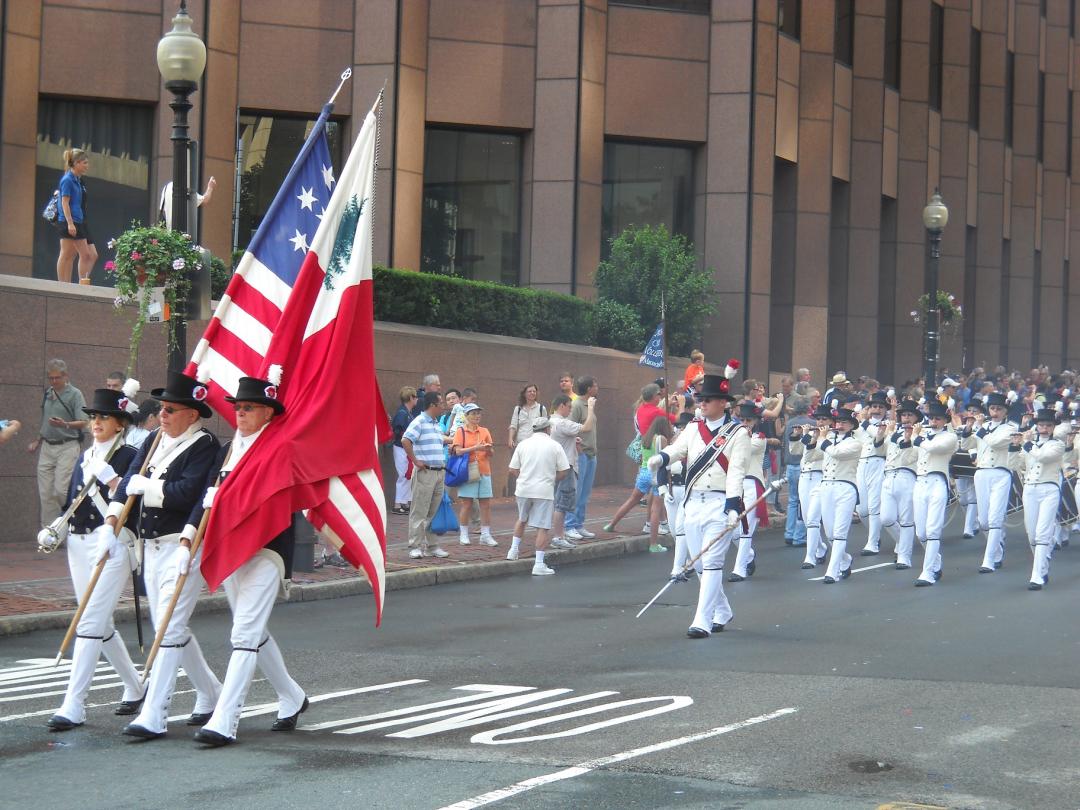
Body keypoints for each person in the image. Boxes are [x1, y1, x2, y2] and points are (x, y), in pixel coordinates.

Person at [188, 375, 308, 746]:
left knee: (242, 634)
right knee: (251, 630)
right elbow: (206, 494)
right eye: (238, 407)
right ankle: (292, 696)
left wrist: (223, 501)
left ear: (268, 412)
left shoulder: (279, 448)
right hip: (230, 547)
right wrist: (190, 533)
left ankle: (225, 719)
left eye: (248, 407)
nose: (240, 412)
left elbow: (271, 498)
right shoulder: (227, 449)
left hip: (267, 549)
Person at [107, 370, 222, 740]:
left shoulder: (205, 445)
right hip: (150, 547)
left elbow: (189, 493)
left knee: (168, 629)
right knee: (170, 627)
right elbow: (128, 480)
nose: (162, 416)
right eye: (162, 409)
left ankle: (155, 713)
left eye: (171, 410)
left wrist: (150, 489)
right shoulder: (155, 439)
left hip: (181, 545)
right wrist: (114, 519)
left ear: (193, 413)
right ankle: (211, 693)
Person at [42, 388, 143, 731]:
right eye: (93, 417)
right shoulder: (86, 455)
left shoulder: (130, 454)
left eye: (103, 417)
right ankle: (135, 685)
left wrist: (109, 476)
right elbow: (74, 499)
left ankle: (74, 703)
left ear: (119, 423)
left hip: (111, 543)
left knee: (88, 621)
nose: (96, 422)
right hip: (80, 541)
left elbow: (131, 500)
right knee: (101, 623)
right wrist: (58, 525)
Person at [648, 373, 749, 639]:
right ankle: (723, 610)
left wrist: (732, 506)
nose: (702, 404)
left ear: (723, 403)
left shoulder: (738, 433)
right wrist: (661, 458)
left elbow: (737, 471)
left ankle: (702, 620)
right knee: (701, 564)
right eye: (701, 399)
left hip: (719, 503)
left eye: (708, 400)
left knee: (713, 562)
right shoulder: (693, 427)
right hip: (693, 503)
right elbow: (678, 449)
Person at [507, 417, 570, 576]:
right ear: (548, 429)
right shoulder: (555, 446)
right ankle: (539, 564)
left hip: (523, 488)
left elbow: (513, 469)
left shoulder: (523, 444)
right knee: (543, 526)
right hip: (544, 490)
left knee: (522, 519)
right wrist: (551, 479)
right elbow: (564, 471)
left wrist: (523, 477)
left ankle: (513, 551)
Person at [28, 359, 87, 527]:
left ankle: (71, 522)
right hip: (47, 446)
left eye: (57, 378)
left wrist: (65, 424)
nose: (54, 381)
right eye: (51, 378)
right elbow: (45, 420)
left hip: (67, 445)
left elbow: (84, 421)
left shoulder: (75, 394)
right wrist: (37, 441)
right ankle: (50, 533)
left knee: (61, 490)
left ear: (65, 376)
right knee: (45, 493)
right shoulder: (48, 393)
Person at [604, 414, 670, 549]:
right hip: (657, 475)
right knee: (656, 509)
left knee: (631, 500)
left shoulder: (645, 438)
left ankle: (611, 525)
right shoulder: (661, 438)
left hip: (644, 472)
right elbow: (666, 457)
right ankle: (653, 544)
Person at [911, 401, 959, 586]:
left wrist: (916, 437)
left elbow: (932, 448)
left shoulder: (949, 437)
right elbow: (909, 452)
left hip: (937, 482)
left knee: (932, 530)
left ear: (945, 421)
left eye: (938, 418)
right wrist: (907, 436)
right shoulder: (923, 434)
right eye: (931, 418)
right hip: (920, 481)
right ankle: (935, 560)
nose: (933, 421)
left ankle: (928, 572)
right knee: (921, 532)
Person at [1019, 410, 1067, 590]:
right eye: (1041, 425)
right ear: (1037, 426)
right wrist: (1015, 448)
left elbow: (1044, 457)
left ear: (1053, 427)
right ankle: (1043, 564)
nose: (1044, 428)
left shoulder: (1058, 444)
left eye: (1048, 425)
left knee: (1042, 533)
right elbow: (1017, 464)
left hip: (1049, 489)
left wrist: (1027, 443)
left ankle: (1037, 576)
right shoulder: (1031, 444)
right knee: (1032, 534)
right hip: (1030, 488)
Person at [402, 391, 451, 559]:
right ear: (432, 405)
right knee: (419, 510)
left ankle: (432, 546)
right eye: (441, 403)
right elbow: (405, 440)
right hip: (425, 472)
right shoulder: (420, 421)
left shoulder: (435, 423)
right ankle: (415, 546)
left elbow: (439, 440)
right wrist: (415, 460)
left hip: (438, 473)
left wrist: (453, 440)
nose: (444, 406)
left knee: (433, 511)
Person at [972, 392, 1017, 572]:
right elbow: (968, 444)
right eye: (992, 408)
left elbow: (996, 443)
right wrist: (968, 430)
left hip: (1000, 473)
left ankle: (989, 560)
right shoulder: (982, 426)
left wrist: (980, 428)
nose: (995, 412)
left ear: (1005, 411)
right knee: (983, 521)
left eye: (999, 409)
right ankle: (997, 550)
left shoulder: (1010, 429)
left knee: (994, 518)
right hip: (982, 473)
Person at [819, 407, 862, 584]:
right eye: (838, 422)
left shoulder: (855, 443)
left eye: (844, 422)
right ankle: (845, 559)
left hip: (845, 487)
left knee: (839, 532)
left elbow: (837, 453)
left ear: (851, 425)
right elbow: (805, 452)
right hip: (827, 486)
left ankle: (832, 571)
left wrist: (822, 438)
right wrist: (809, 436)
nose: (840, 425)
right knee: (829, 533)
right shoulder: (827, 439)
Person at [548, 393, 596, 550]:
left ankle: (560, 535)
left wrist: (572, 440)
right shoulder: (563, 423)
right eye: (569, 406)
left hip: (558, 466)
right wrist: (591, 407)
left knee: (559, 501)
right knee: (562, 503)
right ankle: (558, 536)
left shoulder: (552, 422)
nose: (570, 410)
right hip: (566, 467)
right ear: (561, 406)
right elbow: (587, 427)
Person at [729, 401, 771, 581]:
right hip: (734, 485)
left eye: (749, 420)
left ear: (756, 422)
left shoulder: (759, 438)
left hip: (752, 484)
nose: (745, 423)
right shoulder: (737, 436)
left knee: (746, 529)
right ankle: (749, 555)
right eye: (742, 419)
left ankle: (739, 569)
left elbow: (743, 450)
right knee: (730, 530)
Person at [880, 400, 921, 570]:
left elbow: (910, 456)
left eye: (909, 415)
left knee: (906, 520)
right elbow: (882, 448)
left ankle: (904, 556)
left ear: (916, 417)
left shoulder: (920, 434)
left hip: (907, 476)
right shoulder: (893, 432)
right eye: (903, 415)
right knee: (886, 518)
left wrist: (908, 437)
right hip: (889, 476)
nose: (906, 418)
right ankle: (903, 541)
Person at [451, 403, 497, 546]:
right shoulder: (461, 431)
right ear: (466, 416)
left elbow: (491, 453)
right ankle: (463, 535)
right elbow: (457, 451)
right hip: (468, 470)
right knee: (467, 503)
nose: (477, 416)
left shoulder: (484, 431)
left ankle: (485, 535)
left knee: (485, 504)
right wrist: (475, 448)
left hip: (484, 469)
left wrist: (488, 450)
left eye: (478, 413)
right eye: (473, 413)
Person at [795, 405, 834, 569]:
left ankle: (809, 557)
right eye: (818, 419)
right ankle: (820, 547)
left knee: (812, 518)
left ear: (831, 421)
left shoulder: (832, 436)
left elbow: (817, 453)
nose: (820, 421)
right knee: (806, 519)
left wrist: (809, 437)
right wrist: (795, 436)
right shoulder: (811, 434)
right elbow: (795, 450)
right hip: (804, 478)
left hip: (820, 477)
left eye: (824, 419)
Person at [55, 148, 98, 284]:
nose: (87, 166)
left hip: (79, 220)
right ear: (77, 163)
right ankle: (69, 284)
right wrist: (70, 223)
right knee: (70, 254)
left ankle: (76, 283)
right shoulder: (67, 180)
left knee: (87, 254)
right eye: (84, 163)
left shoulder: (78, 180)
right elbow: (64, 202)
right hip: (70, 220)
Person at [565, 376, 600, 540]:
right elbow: (572, 428)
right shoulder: (577, 405)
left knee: (585, 493)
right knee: (577, 491)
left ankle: (579, 524)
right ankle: (569, 525)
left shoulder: (589, 404)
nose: (597, 387)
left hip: (591, 453)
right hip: (581, 453)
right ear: (588, 389)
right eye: (595, 385)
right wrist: (577, 447)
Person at [856, 391, 889, 556]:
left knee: (874, 506)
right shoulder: (860, 424)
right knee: (861, 509)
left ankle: (873, 542)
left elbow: (878, 437)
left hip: (878, 462)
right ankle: (874, 534)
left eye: (880, 407)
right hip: (862, 464)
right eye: (874, 406)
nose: (877, 410)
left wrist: (863, 422)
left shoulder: (889, 424)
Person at [783, 397, 813, 547]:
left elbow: (785, 444)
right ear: (808, 409)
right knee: (803, 501)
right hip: (804, 464)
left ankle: (789, 532)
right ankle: (799, 535)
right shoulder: (813, 424)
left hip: (791, 465)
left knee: (792, 500)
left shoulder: (789, 423)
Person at [954, 400, 984, 537]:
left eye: (975, 411)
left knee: (972, 498)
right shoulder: (960, 427)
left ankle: (968, 529)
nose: (971, 413)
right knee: (962, 499)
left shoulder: (983, 428)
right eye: (970, 410)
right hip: (960, 465)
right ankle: (974, 522)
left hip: (975, 465)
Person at [391, 386, 418, 515]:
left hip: (405, 448)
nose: (417, 399)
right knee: (403, 475)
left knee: (407, 476)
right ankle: (398, 504)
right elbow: (398, 431)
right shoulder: (402, 413)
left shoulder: (407, 413)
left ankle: (404, 502)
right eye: (415, 396)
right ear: (411, 398)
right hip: (401, 448)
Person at [508, 384, 546, 449]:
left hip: (536, 445)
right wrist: (510, 439)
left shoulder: (541, 408)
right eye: (530, 391)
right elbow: (513, 426)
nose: (532, 393)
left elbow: (545, 427)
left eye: (534, 391)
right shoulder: (518, 409)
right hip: (520, 444)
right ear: (524, 394)